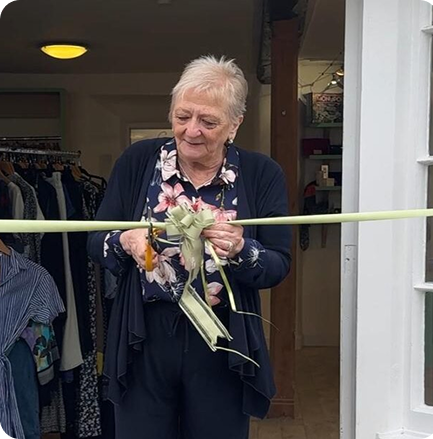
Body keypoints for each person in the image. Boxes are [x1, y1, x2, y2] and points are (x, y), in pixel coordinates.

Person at [87, 55, 292, 439]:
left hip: (222, 338)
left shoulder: (261, 173)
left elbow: (278, 264)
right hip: (144, 334)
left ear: (235, 124)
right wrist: (125, 240)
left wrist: (241, 249)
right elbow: (95, 242)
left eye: (208, 122)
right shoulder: (138, 161)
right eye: (182, 116)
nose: (191, 130)